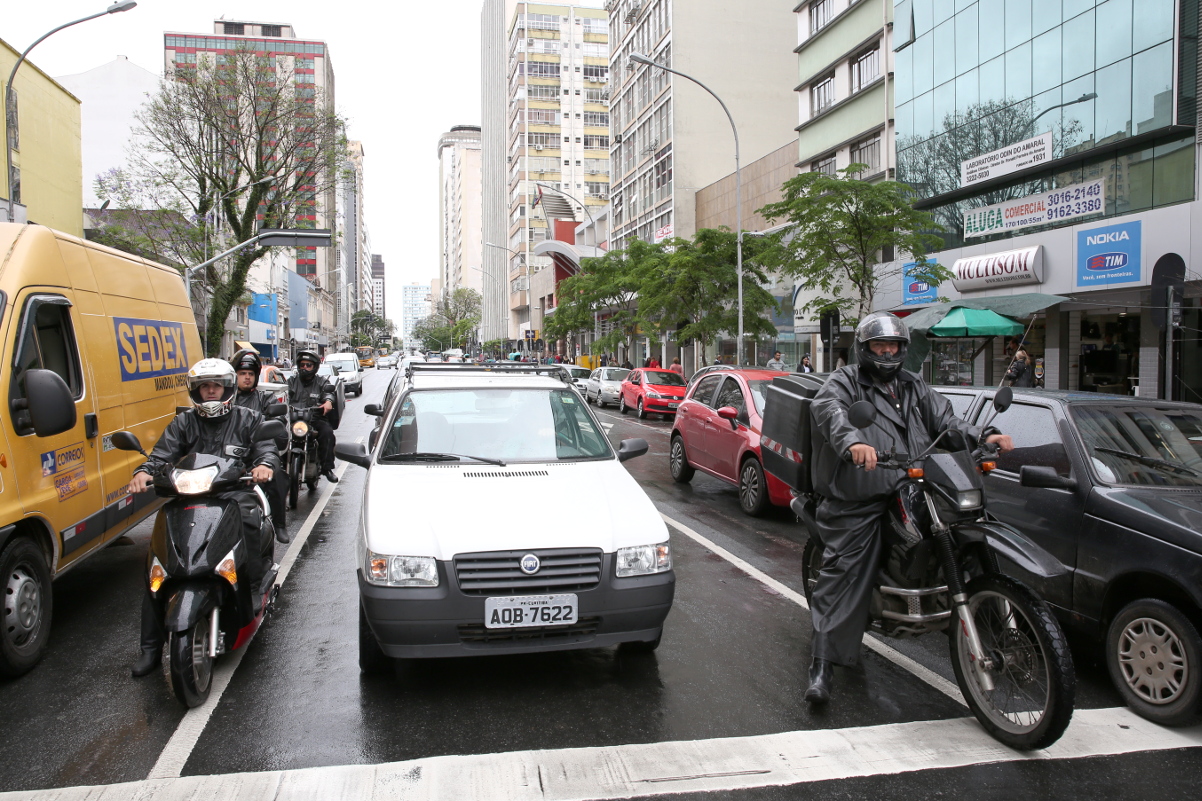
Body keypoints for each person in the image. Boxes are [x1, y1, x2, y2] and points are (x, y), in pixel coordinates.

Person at [803, 312, 1014, 705]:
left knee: (968, 523)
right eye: (880, 347)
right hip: (862, 491)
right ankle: (821, 665)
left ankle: (998, 624)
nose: (887, 353)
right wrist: (853, 444)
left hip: (914, 482)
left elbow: (947, 422)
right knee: (843, 569)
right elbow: (829, 411)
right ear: (864, 349)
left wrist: (984, 436)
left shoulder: (913, 384)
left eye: (894, 346)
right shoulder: (844, 382)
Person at [128, 358, 280, 677]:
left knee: (250, 519)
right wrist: (144, 471)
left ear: (227, 388)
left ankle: (252, 584)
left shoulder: (248, 417)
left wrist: (264, 464)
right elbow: (162, 455)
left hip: (233, 493)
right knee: (157, 564)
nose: (210, 392)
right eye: (204, 387)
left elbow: (266, 447)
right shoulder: (183, 422)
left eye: (216, 386)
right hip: (188, 495)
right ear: (195, 391)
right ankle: (150, 648)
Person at [230, 349, 291, 542]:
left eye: (250, 374)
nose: (246, 378)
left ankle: (280, 524)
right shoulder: (225, 401)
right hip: (226, 459)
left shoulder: (265, 399)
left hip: (256, 457)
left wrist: (271, 426)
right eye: (242, 374)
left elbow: (279, 426)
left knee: (278, 477)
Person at [286, 349, 339, 485]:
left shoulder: (322, 382)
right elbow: (282, 393)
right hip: (293, 419)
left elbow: (329, 393)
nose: (305, 368)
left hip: (315, 418)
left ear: (315, 367)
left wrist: (328, 401)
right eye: (302, 364)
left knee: (327, 433)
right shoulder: (291, 381)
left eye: (308, 365)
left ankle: (327, 469)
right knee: (276, 433)